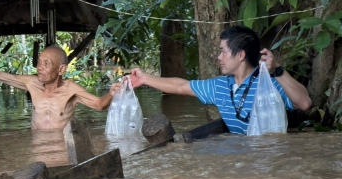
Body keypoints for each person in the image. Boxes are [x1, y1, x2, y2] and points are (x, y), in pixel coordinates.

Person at [129, 25, 312, 135]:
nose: (219, 57)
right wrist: (145, 78)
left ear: (240, 55)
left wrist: (278, 69)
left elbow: (304, 103)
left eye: (223, 51)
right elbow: (181, 86)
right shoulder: (220, 86)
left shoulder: (268, 86)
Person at [0, 45, 122, 130]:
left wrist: (111, 93)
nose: (39, 68)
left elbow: (99, 105)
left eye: (46, 64)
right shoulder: (31, 83)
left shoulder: (71, 90)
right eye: (39, 62)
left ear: (61, 69)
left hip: (62, 147)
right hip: (38, 146)